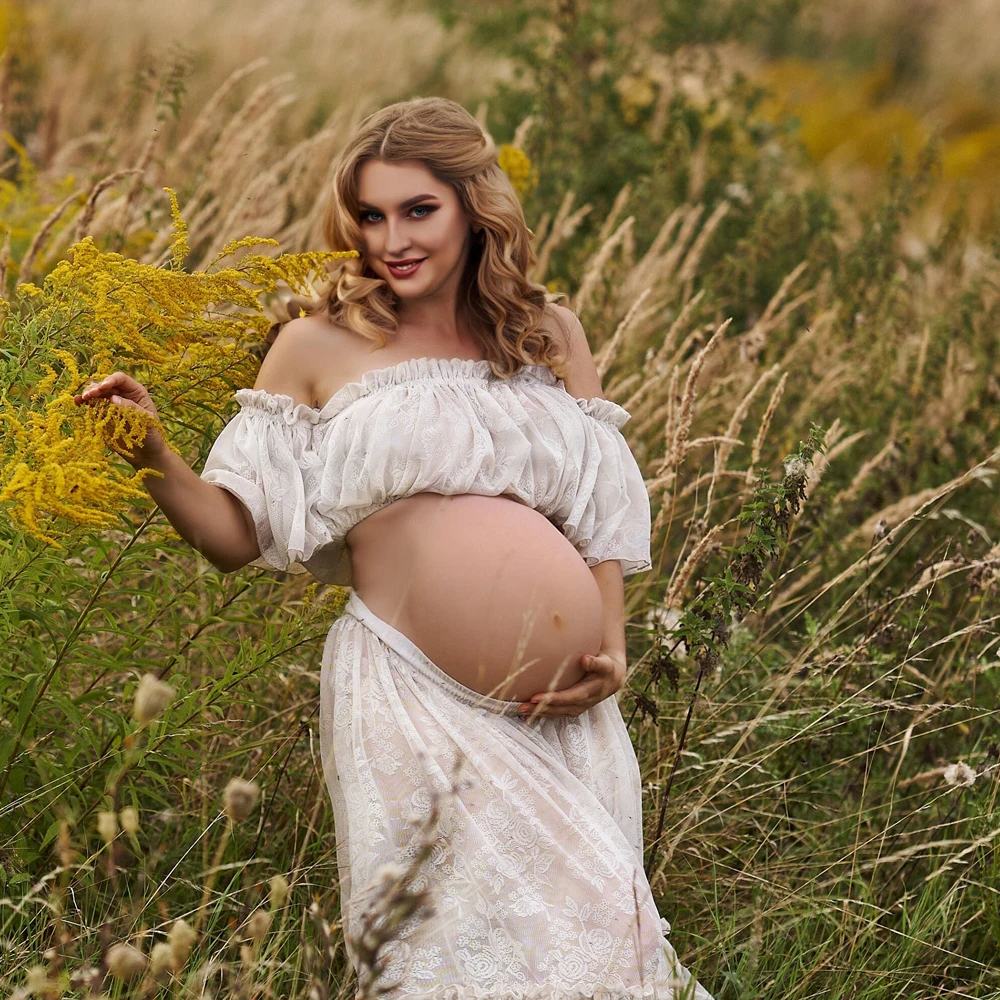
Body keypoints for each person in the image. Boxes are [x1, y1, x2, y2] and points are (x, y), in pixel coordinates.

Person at [76, 96, 714, 999]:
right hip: (412, 698)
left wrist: (610, 646)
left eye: (419, 210)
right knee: (449, 958)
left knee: (610, 950)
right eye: (371, 216)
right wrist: (154, 456)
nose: (392, 240)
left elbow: (596, 518)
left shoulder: (547, 335)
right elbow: (236, 535)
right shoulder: (315, 345)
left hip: (566, 715)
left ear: (474, 207)